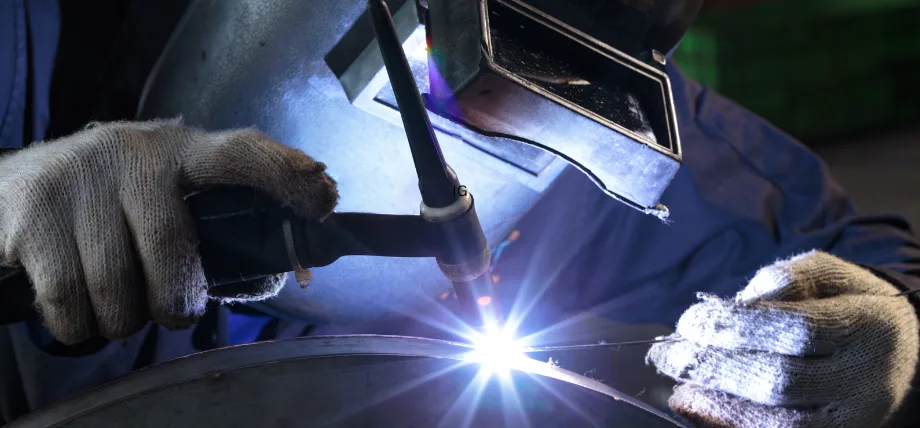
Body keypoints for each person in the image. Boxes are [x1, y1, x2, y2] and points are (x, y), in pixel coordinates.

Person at [2, 1, 919, 427]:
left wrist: (880, 328)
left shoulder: (588, 103)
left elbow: (848, 254)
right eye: (441, 66)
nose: (486, 109)